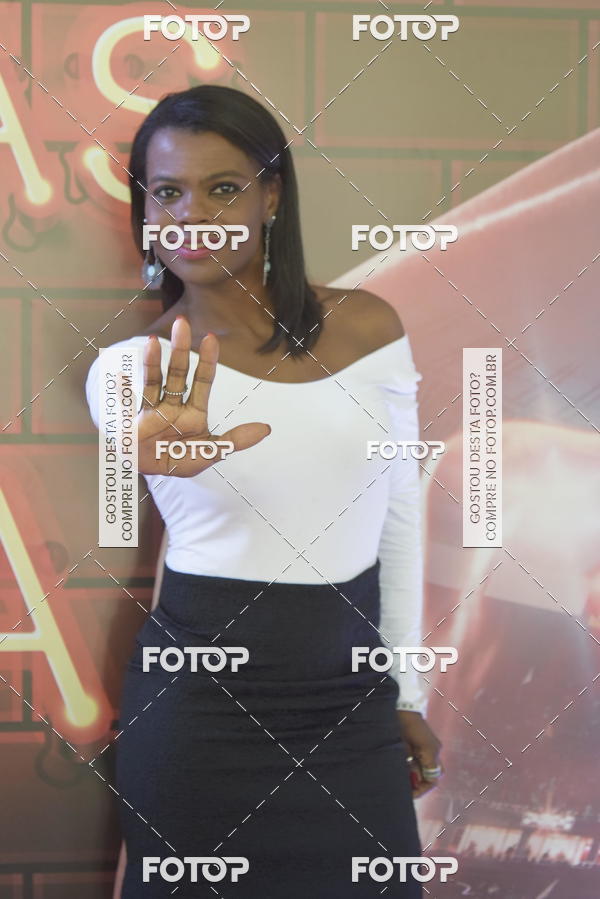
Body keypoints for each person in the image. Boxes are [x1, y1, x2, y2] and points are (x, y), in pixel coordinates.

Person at [85, 84, 444, 898]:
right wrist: (150, 451)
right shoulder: (132, 371)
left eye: (222, 187)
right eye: (166, 192)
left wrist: (405, 690)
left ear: (271, 195)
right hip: (200, 716)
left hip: (349, 703)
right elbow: (127, 440)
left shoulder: (371, 327)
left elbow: (397, 517)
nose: (192, 214)